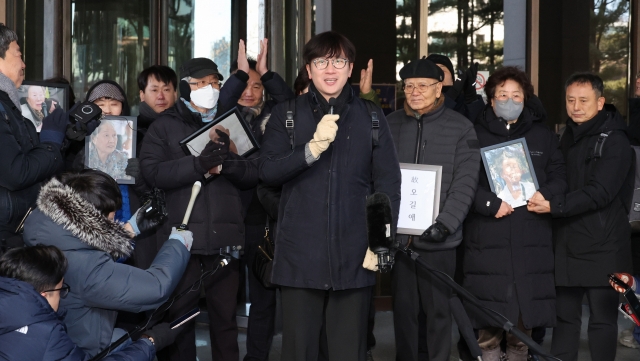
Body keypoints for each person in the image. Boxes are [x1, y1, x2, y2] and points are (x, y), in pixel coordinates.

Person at [259, 31, 401, 361]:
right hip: (299, 258)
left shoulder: (372, 117)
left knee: (348, 352)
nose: (330, 69)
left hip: (353, 257)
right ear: (309, 70)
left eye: (338, 61)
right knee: (299, 352)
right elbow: (266, 171)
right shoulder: (287, 115)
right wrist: (310, 149)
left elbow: (387, 184)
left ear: (350, 68)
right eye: (321, 61)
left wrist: (380, 242)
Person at [140, 42, 258, 361]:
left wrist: (227, 164)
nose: (208, 89)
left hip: (226, 238)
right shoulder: (164, 126)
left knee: (225, 320)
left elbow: (254, 172)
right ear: (186, 88)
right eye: (200, 83)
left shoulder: (232, 123)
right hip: (181, 238)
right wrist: (197, 164)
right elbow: (151, 173)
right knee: (181, 318)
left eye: (214, 82)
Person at [21, 169, 193, 356]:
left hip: (49, 338)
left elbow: (81, 249)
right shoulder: (86, 268)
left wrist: (126, 231)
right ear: (93, 219)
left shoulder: (43, 228)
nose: (113, 222)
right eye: (110, 218)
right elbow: (156, 288)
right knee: (127, 341)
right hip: (80, 348)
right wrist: (178, 245)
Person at [463, 66, 567, 361]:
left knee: (522, 333)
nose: (510, 100)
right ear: (491, 100)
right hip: (487, 240)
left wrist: (544, 194)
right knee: (488, 330)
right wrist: (488, 203)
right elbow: (462, 181)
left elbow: (560, 175)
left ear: (526, 99)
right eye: (502, 95)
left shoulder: (543, 136)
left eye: (516, 95)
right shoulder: (473, 134)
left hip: (531, 236)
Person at [528, 72, 633, 361]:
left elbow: (600, 192)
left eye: (583, 100)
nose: (576, 106)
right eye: (571, 100)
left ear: (600, 102)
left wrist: (554, 205)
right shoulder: (565, 137)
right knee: (564, 322)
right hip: (565, 243)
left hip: (604, 245)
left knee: (602, 322)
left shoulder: (615, 142)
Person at [386, 57, 480, 361]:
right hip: (399, 240)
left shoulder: (461, 128)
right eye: (409, 86)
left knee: (439, 314)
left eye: (423, 86)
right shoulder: (391, 124)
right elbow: (379, 178)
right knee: (403, 314)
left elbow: (465, 184)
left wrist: (445, 224)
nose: (415, 92)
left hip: (440, 241)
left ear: (439, 88)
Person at [231, 39, 294, 361]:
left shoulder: (277, 117)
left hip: (265, 220)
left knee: (264, 297)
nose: (250, 91)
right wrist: (240, 75)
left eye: (257, 85)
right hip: (231, 220)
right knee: (229, 300)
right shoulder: (227, 118)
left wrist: (268, 73)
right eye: (245, 84)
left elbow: (288, 100)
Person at [0, 244, 162, 361]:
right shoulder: (46, 335)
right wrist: (148, 344)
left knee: (119, 337)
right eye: (60, 290)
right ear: (43, 295)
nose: (62, 296)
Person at [0, 23, 68, 254]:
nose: (23, 64)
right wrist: (50, 144)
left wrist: (64, 140)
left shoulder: (9, 107)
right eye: (18, 55)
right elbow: (16, 172)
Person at [426, 54, 484, 122]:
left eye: (442, 70)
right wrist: (450, 96)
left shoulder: (463, 100)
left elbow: (479, 126)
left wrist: (472, 100)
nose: (438, 75)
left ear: (452, 77)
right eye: (433, 71)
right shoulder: (421, 99)